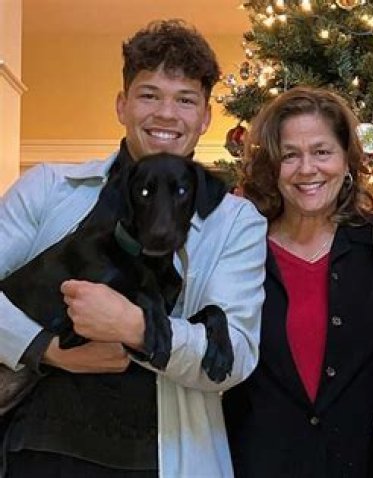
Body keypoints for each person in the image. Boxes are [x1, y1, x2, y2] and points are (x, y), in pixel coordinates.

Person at [0, 19, 266, 477]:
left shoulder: (235, 221)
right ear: (122, 105)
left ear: (205, 117)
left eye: (185, 100)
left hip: (161, 458)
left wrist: (134, 326)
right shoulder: (46, 187)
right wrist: (49, 349)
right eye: (149, 95)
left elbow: (234, 356)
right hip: (40, 449)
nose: (166, 113)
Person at [222, 86, 373, 477]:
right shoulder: (242, 250)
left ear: (347, 160)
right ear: (273, 166)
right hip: (258, 465)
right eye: (290, 155)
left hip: (365, 465)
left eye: (322, 151)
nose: (306, 169)